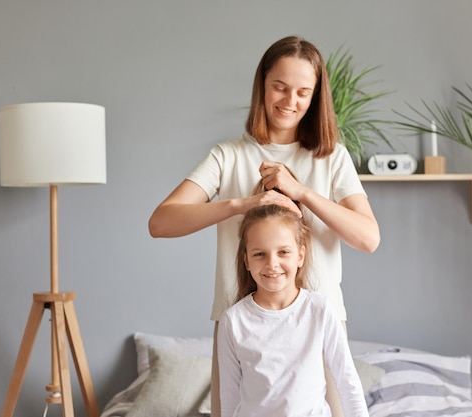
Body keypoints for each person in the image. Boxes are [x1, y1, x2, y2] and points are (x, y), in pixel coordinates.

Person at [148, 35, 380, 417]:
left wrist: (301, 192)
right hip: (243, 323)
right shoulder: (228, 156)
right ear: (262, 86)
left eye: (303, 92)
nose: (290, 101)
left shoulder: (332, 158)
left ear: (316, 96)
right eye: (280, 87)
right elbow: (161, 222)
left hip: (316, 326)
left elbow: (368, 237)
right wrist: (242, 204)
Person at [217, 204, 369, 417]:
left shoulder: (320, 310)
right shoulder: (233, 321)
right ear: (246, 260)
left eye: (283, 252)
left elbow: (347, 381)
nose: (272, 264)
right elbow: (229, 398)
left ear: (300, 256)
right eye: (260, 254)